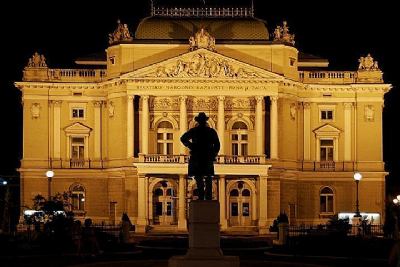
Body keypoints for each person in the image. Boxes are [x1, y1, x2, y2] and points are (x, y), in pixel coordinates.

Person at [181, 112, 220, 200]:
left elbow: (183, 138)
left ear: (198, 121)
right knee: (207, 177)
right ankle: (208, 197)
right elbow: (217, 145)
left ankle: (201, 197)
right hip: (206, 157)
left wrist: (191, 146)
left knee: (199, 177)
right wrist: (213, 154)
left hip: (197, 156)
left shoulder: (194, 131)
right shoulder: (211, 131)